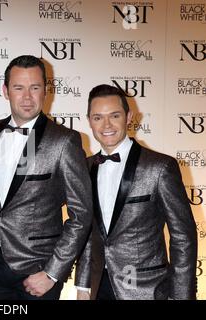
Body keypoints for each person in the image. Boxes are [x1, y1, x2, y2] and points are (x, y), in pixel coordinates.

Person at [0, 55, 93, 300]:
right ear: (5, 91)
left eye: (35, 87)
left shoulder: (64, 141)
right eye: (19, 88)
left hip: (38, 271)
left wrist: (52, 273)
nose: (27, 97)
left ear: (46, 91)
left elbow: (82, 215)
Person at [75, 84, 197, 300]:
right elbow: (86, 233)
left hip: (146, 290)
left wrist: (181, 296)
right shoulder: (84, 168)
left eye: (114, 115)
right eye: (97, 118)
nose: (106, 125)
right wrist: (83, 286)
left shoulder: (160, 167)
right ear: (89, 122)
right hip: (98, 287)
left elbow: (183, 236)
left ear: (129, 117)